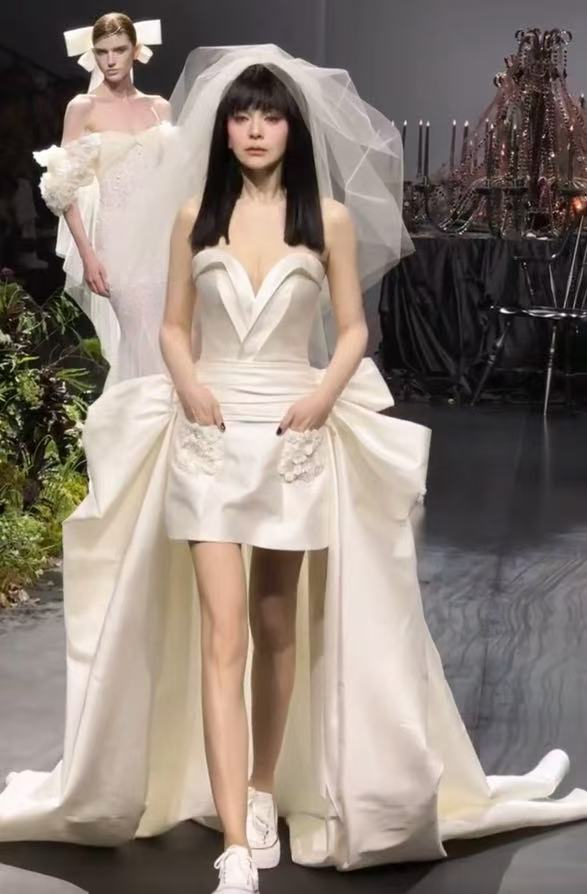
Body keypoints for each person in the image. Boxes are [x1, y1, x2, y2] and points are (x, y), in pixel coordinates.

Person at [1, 44, 587, 894]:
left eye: (268, 115)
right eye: (240, 115)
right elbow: (171, 327)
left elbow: (353, 331)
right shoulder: (195, 215)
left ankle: (261, 790)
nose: (253, 129)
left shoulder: (329, 221)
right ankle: (235, 847)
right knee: (222, 636)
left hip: (292, 433)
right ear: (222, 129)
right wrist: (187, 382)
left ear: (291, 129)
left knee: (277, 630)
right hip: (206, 434)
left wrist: (320, 396)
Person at [33, 13, 173, 388]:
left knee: (171, 340)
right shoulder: (83, 107)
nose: (110, 60)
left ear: (135, 50)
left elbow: (173, 181)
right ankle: (142, 417)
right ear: (93, 54)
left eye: (119, 50)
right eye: (101, 52)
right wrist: (88, 254)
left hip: (162, 244)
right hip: (116, 244)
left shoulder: (159, 107)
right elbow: (63, 187)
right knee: (142, 339)